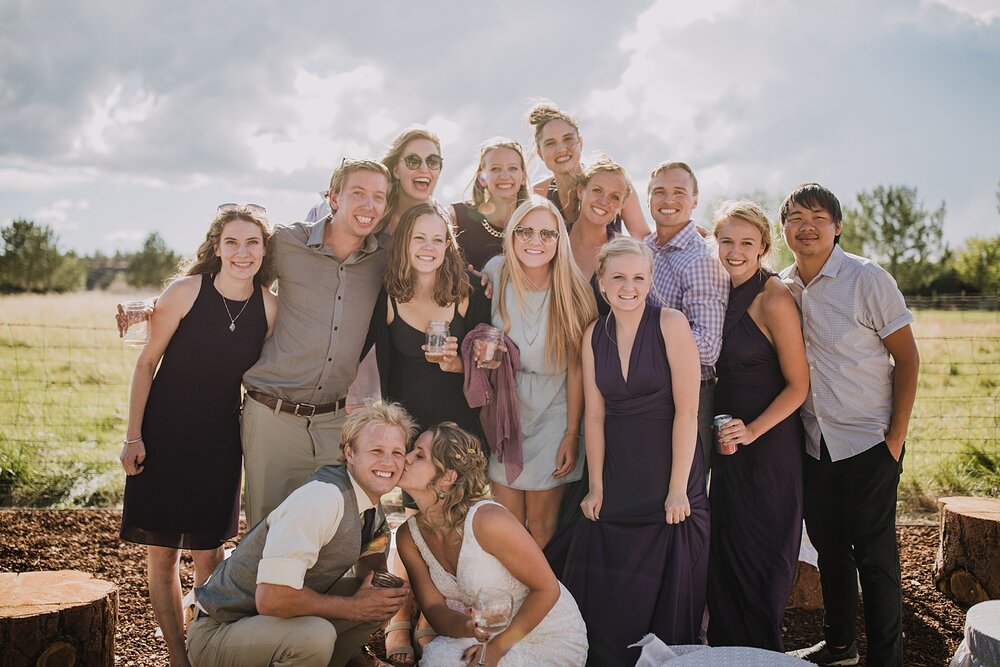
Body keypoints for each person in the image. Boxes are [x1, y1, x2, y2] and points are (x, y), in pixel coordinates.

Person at [118, 204, 277, 667]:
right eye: (232, 242)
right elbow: (146, 363)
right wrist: (133, 437)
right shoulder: (186, 292)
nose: (242, 252)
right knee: (163, 555)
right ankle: (176, 657)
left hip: (221, 444)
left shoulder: (269, 306)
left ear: (265, 250)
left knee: (210, 557)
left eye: (252, 242)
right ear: (216, 247)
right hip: (162, 437)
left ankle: (206, 648)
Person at [781, 184, 919, 667]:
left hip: (869, 444)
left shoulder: (867, 279)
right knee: (830, 552)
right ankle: (840, 646)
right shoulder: (782, 288)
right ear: (784, 230)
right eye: (796, 217)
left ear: (837, 227)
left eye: (818, 217)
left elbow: (907, 358)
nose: (807, 226)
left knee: (876, 562)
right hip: (815, 445)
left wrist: (894, 441)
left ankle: (888, 658)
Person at [562, 237, 709, 666]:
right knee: (607, 584)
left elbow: (688, 413)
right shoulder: (594, 333)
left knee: (664, 583)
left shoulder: (671, 323)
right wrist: (596, 486)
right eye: (619, 278)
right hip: (618, 474)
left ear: (650, 281)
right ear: (602, 284)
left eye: (639, 277)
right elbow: (594, 415)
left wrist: (678, 489)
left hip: (670, 473)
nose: (630, 287)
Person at [187, 401, 414, 667]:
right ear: (350, 453)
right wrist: (354, 607)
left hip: (267, 625)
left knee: (381, 598)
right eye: (376, 450)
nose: (388, 462)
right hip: (221, 630)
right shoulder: (324, 498)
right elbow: (272, 598)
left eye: (397, 453)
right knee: (315, 637)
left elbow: (373, 572)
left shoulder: (370, 503)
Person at [370, 201, 492, 665]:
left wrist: (459, 362)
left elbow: (487, 357)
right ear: (405, 243)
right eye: (419, 237)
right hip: (411, 432)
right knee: (409, 523)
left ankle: (432, 614)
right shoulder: (387, 295)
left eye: (438, 238)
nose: (429, 247)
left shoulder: (465, 291)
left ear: (448, 245)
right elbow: (376, 369)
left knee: (453, 523)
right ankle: (401, 615)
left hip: (461, 432)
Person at [240, 158, 390, 527]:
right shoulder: (287, 242)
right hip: (273, 414)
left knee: (335, 533)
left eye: (378, 197)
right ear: (333, 198)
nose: (368, 206)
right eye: (358, 194)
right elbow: (229, 278)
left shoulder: (384, 256)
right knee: (267, 534)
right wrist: (158, 306)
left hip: (335, 421)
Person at [395, 422, 588, 666]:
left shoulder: (487, 520)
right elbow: (433, 608)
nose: (406, 458)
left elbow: (548, 590)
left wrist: (499, 647)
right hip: (478, 637)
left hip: (544, 636)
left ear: (446, 477)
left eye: (419, 455)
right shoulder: (408, 537)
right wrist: (468, 627)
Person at [706, 201, 809, 651]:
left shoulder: (774, 298)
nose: (735, 250)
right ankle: (729, 655)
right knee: (725, 559)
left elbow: (798, 386)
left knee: (762, 563)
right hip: (726, 451)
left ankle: (764, 655)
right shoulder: (713, 291)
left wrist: (753, 431)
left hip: (769, 450)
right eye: (726, 241)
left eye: (747, 242)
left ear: (764, 246)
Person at [480, 197, 598, 549]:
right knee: (508, 528)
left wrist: (572, 434)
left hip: (555, 413)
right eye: (526, 231)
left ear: (560, 239)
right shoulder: (496, 273)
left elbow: (578, 371)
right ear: (511, 235)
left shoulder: (575, 290)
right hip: (505, 413)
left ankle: (546, 603)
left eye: (547, 233)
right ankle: (510, 602)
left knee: (543, 531)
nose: (536, 241)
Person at [345, 127, 447, 414]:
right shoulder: (372, 217)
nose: (424, 168)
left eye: (433, 161)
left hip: (410, 346)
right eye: (413, 161)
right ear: (396, 170)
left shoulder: (441, 219)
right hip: (358, 337)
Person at [644, 161, 729, 474]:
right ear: (647, 199)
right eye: (659, 192)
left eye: (679, 192)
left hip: (691, 393)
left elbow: (707, 348)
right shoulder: (644, 249)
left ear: (695, 200)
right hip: (649, 388)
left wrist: (641, 338)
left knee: (684, 489)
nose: (668, 200)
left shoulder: (702, 258)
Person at [527, 101, 648, 239]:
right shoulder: (536, 195)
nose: (561, 149)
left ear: (580, 143)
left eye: (568, 139)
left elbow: (646, 243)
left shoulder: (615, 186)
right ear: (540, 153)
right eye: (550, 143)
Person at [450, 137, 531, 271]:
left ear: (523, 177)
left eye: (512, 168)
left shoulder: (537, 221)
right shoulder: (457, 218)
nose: (504, 175)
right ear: (482, 178)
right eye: (495, 169)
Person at [568, 156, 632, 317]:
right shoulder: (553, 239)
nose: (604, 201)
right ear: (581, 191)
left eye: (614, 197)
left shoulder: (624, 255)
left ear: (621, 206)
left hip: (603, 341)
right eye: (597, 190)